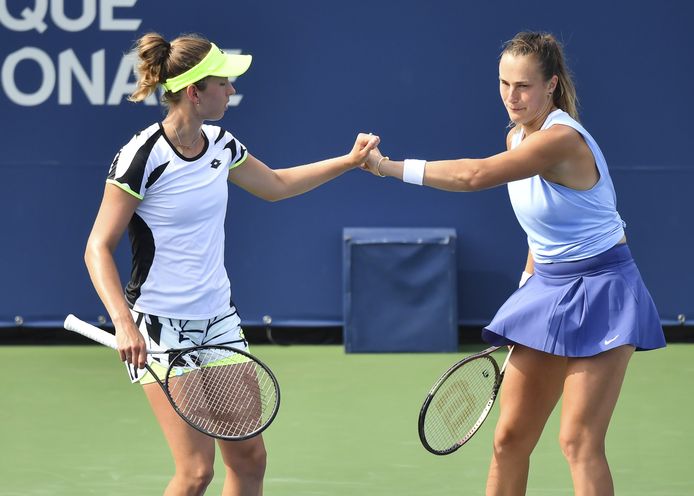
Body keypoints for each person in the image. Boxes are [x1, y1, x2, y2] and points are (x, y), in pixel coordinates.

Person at [362, 31, 665, 495]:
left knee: (578, 441)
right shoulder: (516, 136)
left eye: (523, 86)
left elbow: (473, 175)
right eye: (504, 84)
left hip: (605, 289)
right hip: (547, 289)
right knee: (508, 440)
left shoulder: (560, 140)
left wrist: (388, 166)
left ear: (552, 86)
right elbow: (541, 229)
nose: (511, 96)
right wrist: (527, 290)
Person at [84, 32, 378, 496]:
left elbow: (277, 185)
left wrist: (349, 161)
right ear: (195, 92)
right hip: (160, 327)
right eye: (224, 82)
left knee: (248, 457)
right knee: (196, 472)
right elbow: (98, 246)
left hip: (218, 320)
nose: (232, 90)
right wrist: (124, 323)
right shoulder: (142, 157)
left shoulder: (221, 144)